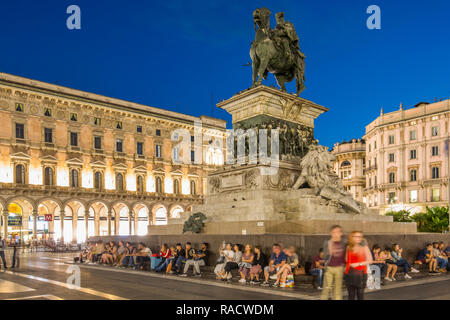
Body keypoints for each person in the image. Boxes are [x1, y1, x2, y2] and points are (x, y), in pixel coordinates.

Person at [344, 231, 373, 300]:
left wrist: (358, 263)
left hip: (361, 274)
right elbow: (346, 259)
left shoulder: (364, 247)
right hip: (349, 274)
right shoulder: (348, 247)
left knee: (360, 295)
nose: (359, 238)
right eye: (356, 236)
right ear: (352, 237)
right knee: (351, 295)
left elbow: (370, 260)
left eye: (360, 236)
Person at [321, 225, 346, 300]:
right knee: (326, 289)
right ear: (331, 233)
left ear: (341, 233)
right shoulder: (327, 243)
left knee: (337, 290)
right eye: (334, 232)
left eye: (338, 232)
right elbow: (325, 257)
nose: (336, 234)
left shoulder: (344, 242)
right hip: (329, 268)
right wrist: (329, 251)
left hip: (339, 268)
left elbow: (346, 255)